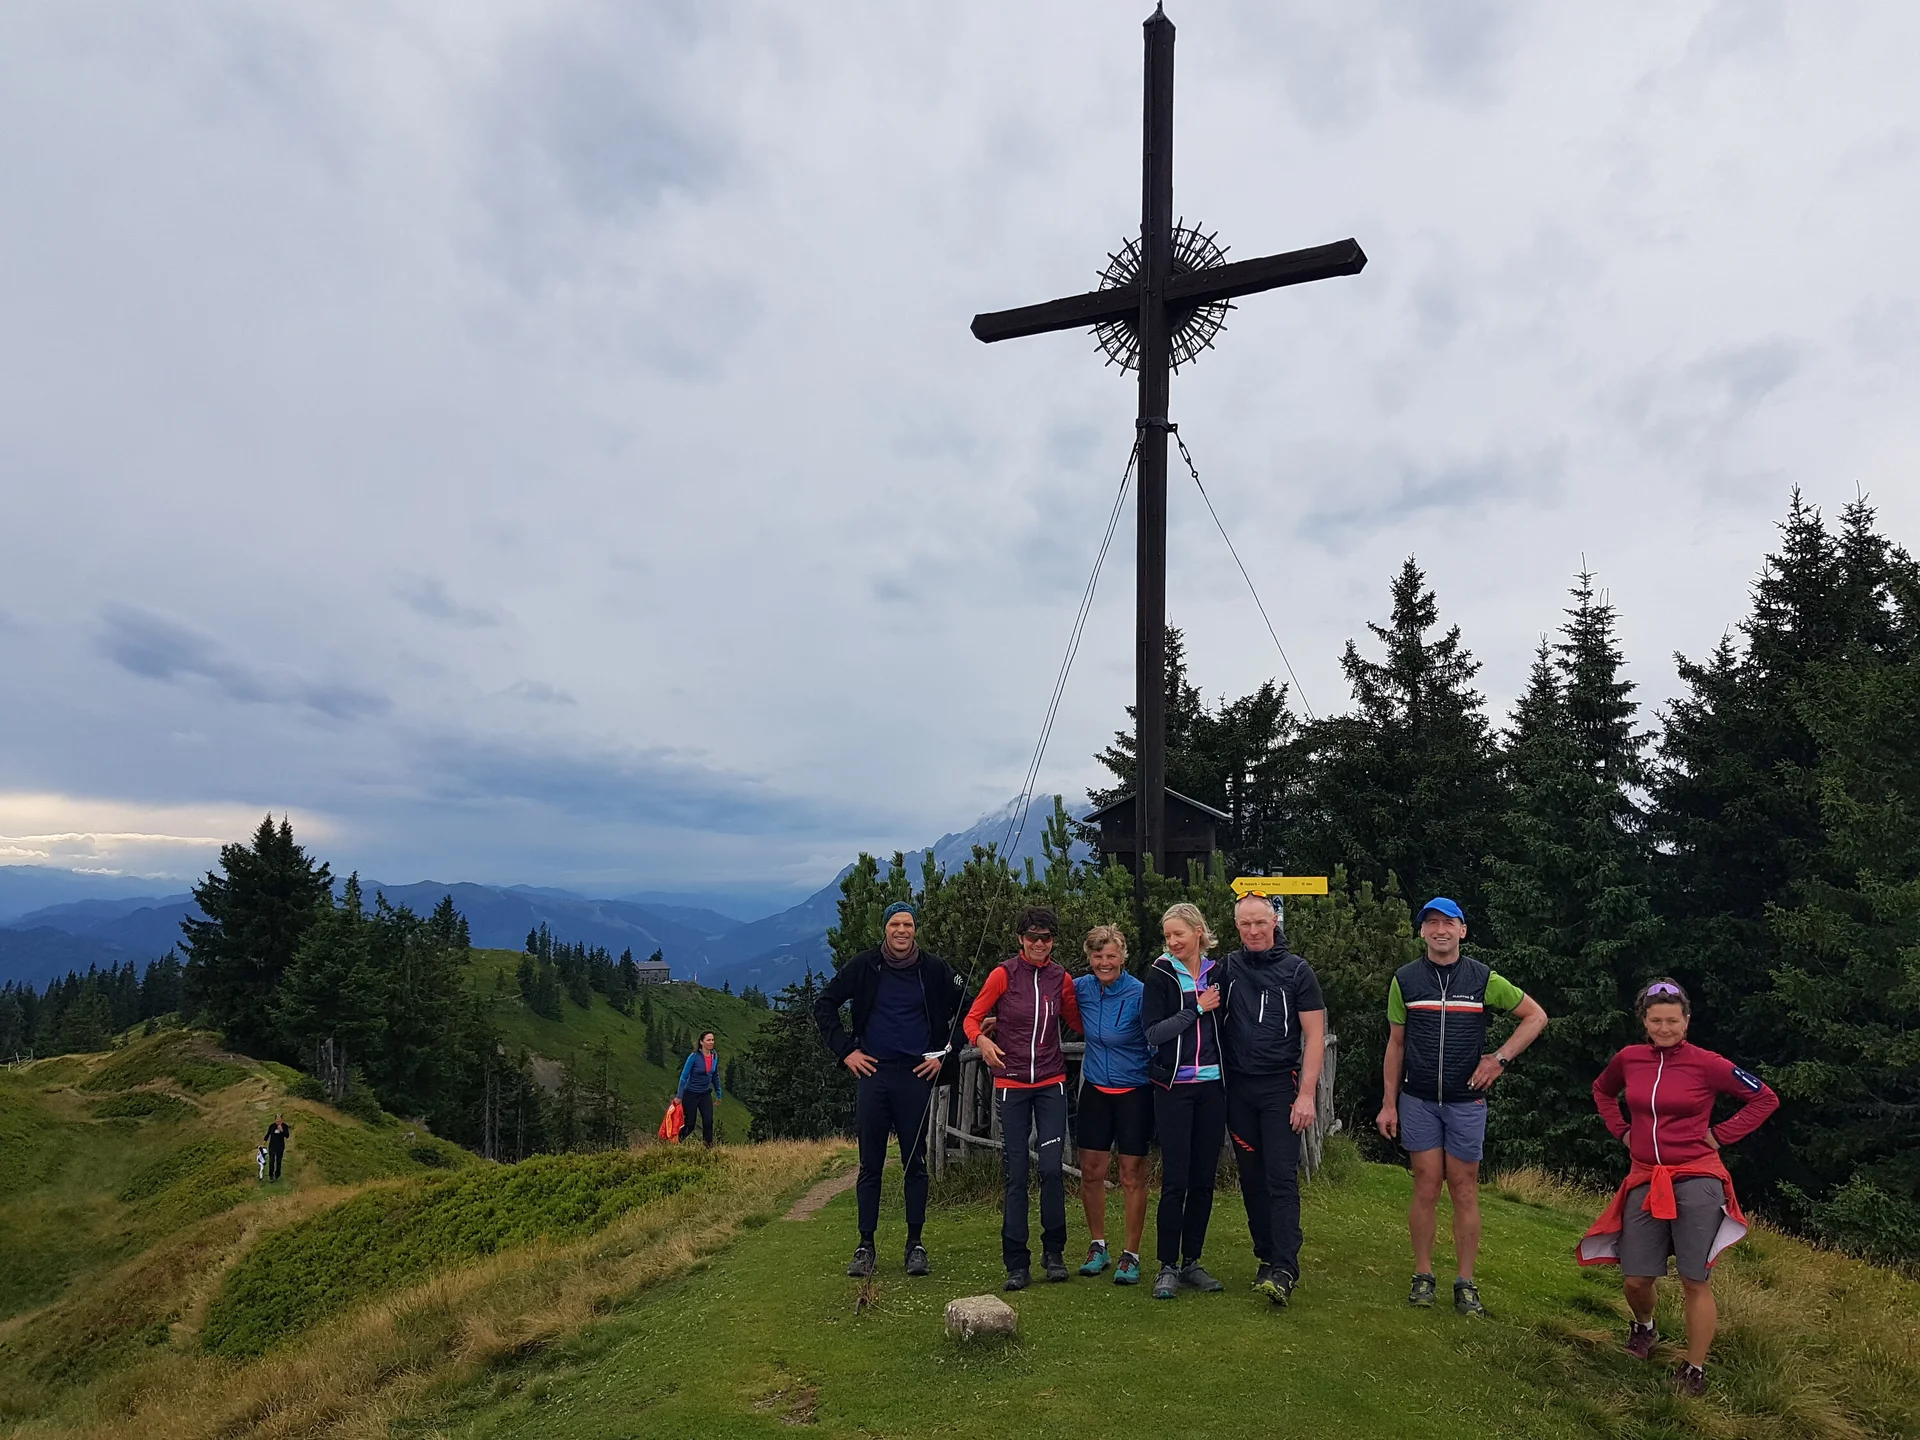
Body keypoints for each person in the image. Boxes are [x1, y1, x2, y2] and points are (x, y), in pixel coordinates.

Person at [1578, 979, 1779, 1397]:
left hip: (1697, 1176)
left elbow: (1764, 1098)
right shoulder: (1629, 1059)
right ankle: (1644, 1328)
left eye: (1673, 1020)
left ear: (1686, 1021)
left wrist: (1721, 1135)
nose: (1665, 1028)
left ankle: (1694, 1368)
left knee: (1694, 1278)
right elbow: (1601, 1091)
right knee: (1635, 1277)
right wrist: (1621, 1131)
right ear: (1644, 1022)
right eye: (1656, 1020)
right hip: (1645, 1175)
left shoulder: (1708, 1063)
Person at [1375, 897, 1548, 1316]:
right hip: (1417, 1100)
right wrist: (1388, 1104)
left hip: (1465, 1101)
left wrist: (1499, 1059)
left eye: (1448, 923)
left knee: (1465, 1188)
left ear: (1462, 931)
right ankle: (1423, 1275)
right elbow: (1396, 1044)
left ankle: (1465, 1282)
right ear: (1421, 932)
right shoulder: (1405, 980)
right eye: (1431, 923)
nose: (1440, 930)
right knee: (1426, 1184)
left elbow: (1536, 1016)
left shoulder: (1483, 979)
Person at [814, 900, 965, 1279]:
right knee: (870, 1165)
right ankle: (865, 1246)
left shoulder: (933, 969)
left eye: (908, 924)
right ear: (884, 928)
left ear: (916, 929)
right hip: (874, 1075)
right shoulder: (865, 965)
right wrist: (846, 1051)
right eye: (895, 924)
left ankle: (916, 1245)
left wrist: (944, 1055)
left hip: (916, 1075)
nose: (902, 930)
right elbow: (825, 1004)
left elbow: (970, 1006)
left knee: (915, 1163)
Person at [965, 904, 1084, 1291]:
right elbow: (971, 1017)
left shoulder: (1060, 978)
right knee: (1015, 1173)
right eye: (1032, 936)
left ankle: (1055, 1253)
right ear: (1020, 939)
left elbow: (1077, 1021)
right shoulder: (1003, 974)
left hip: (1051, 1083)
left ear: (1053, 941)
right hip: (1012, 1086)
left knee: (1051, 1168)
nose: (1038, 943)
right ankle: (1016, 1262)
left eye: (1046, 937)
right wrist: (982, 1040)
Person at [1219, 893, 1327, 1307]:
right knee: (1250, 1176)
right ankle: (1265, 1256)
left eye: (1260, 923)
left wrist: (1306, 1095)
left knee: (1281, 1177)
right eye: (1245, 925)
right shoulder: (1227, 968)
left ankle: (1285, 1267)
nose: (1253, 931)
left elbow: (1315, 1037)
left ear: (1274, 922)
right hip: (1239, 1091)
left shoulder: (1298, 971)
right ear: (1237, 928)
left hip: (1281, 1088)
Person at [1141, 901, 1230, 1300]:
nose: (1173, 941)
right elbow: (1154, 1033)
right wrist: (1196, 1008)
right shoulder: (1160, 973)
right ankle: (1167, 1266)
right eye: (1168, 936)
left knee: (1203, 1179)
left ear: (1199, 932)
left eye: (1179, 934)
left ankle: (1192, 1260)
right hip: (1174, 1088)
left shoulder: (1219, 973)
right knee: (1175, 1179)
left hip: (1213, 1087)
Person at [1072, 925, 1152, 1286]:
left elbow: (1156, 1036)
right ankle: (1097, 1246)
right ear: (1089, 958)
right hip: (1096, 1091)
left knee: (1131, 1174)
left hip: (1134, 1091)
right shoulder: (1081, 988)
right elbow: (1038, 1005)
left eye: (1111, 955)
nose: (1105, 962)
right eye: (1097, 956)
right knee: (1091, 1170)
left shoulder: (1139, 993)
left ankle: (1130, 1254)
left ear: (1123, 956)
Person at [676, 1031, 723, 1148]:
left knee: (708, 1122)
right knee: (690, 1125)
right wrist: (679, 1096)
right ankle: (676, 1142)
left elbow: (715, 1075)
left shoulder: (714, 1056)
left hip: (705, 1094)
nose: (711, 1042)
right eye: (708, 1040)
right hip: (690, 1093)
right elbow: (683, 1077)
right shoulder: (694, 1057)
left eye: (712, 1040)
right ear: (701, 1042)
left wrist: (719, 1093)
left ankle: (708, 1149)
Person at [263, 1114, 292, 1181]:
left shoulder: (284, 1126)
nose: (278, 1121)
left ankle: (277, 1175)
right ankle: (271, 1175)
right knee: (271, 1161)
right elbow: (267, 1135)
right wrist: (263, 1143)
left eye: (279, 1120)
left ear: (282, 1120)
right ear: (275, 1119)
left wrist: (282, 1130)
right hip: (272, 1146)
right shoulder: (272, 1126)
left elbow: (287, 1136)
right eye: (277, 1119)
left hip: (280, 1146)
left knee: (278, 1161)